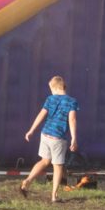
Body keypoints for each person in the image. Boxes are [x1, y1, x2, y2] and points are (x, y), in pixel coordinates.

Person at [18, 75, 78, 203]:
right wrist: (74, 138)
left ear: (56, 88)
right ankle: (54, 196)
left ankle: (27, 180)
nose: (50, 92)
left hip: (45, 135)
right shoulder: (71, 101)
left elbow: (41, 114)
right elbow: (72, 120)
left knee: (44, 161)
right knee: (58, 166)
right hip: (58, 138)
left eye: (51, 89)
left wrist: (31, 130)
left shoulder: (50, 99)